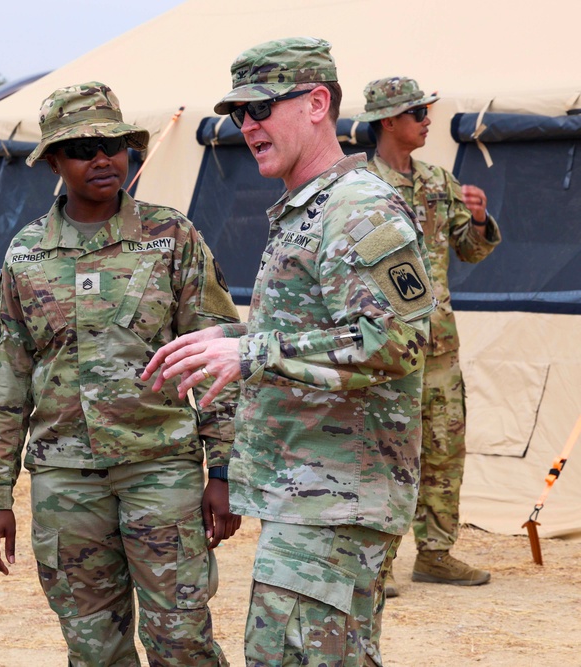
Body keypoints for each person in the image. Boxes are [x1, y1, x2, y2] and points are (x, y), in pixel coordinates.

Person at [142, 38, 435, 666]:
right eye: (239, 115)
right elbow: (320, 327)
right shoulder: (309, 206)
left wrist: (255, 351)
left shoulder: (357, 208)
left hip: (337, 496)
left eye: (263, 107)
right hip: (311, 494)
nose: (248, 126)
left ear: (317, 103)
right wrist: (233, 339)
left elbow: (398, 341)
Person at [0, 81, 242, 666]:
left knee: (182, 640)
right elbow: (6, 382)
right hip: (65, 480)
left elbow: (219, 356)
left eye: (114, 144)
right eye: (82, 148)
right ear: (52, 161)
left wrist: (223, 469)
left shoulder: (172, 238)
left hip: (161, 469)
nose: (102, 159)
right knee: (93, 645)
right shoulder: (25, 254)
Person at [354, 76, 500, 597]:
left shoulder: (438, 181)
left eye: (427, 111)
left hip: (439, 349)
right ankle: (378, 560)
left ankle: (435, 554)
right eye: (417, 113)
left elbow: (470, 251)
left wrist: (478, 222)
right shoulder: (356, 187)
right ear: (388, 121)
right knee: (386, 453)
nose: (427, 121)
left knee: (443, 451)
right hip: (384, 350)